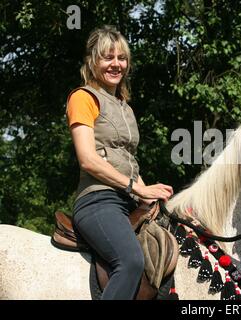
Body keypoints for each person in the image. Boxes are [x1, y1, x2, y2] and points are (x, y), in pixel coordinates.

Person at [66, 25, 173, 300]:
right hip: (97, 201)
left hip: (126, 199)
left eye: (122, 58)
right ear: (93, 61)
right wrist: (138, 190)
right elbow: (88, 160)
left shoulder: (125, 107)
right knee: (131, 262)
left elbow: (128, 162)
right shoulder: (83, 98)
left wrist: (150, 197)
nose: (116, 65)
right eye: (108, 58)